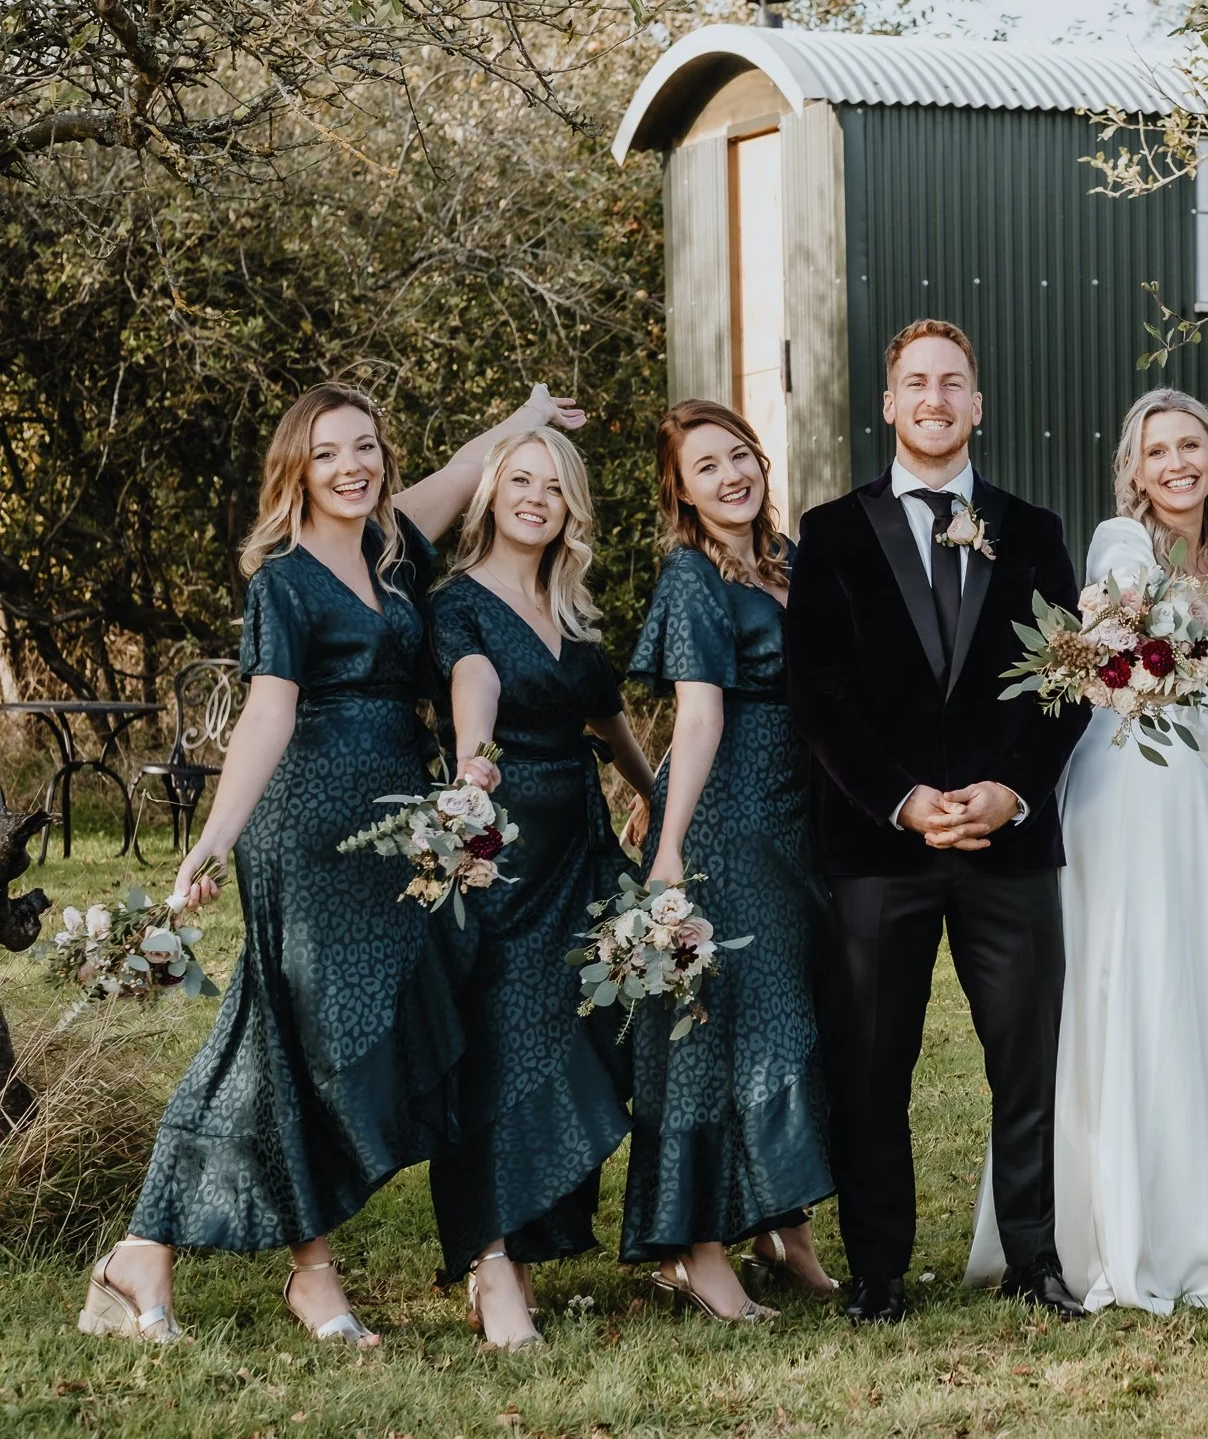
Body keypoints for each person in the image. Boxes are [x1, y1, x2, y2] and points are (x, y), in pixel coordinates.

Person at [79, 382, 583, 1347]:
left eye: (366, 447)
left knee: (360, 1029)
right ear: (295, 471)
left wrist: (526, 417)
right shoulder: (282, 581)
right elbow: (268, 712)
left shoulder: (395, 548)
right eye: (327, 453)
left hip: (404, 828)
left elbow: (467, 468)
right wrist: (217, 833)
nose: (352, 466)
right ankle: (299, 1271)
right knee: (298, 1039)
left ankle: (152, 1253)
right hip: (307, 830)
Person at [967, 390, 1208, 1313]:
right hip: (1125, 787)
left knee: (1204, 985)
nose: (1176, 463)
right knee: (1125, 979)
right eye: (1157, 450)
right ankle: (1112, 1224)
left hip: (1204, 801)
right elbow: (1120, 642)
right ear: (1135, 468)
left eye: (1190, 444)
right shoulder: (1118, 545)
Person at [785, 319, 1090, 1325]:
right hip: (878, 848)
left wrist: (1010, 794)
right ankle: (877, 1270)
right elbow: (819, 694)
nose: (933, 399)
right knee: (872, 1067)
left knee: (1028, 1062)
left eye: (952, 383)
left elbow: (1066, 681)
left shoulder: (1034, 529)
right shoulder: (829, 533)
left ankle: (1035, 1257)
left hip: (1010, 847)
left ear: (977, 404)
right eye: (915, 383)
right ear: (888, 405)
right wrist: (904, 801)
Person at [429, 426, 655, 1350]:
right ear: (490, 495)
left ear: (571, 509)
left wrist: (659, 795)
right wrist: (476, 762)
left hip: (584, 858)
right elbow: (472, 686)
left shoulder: (573, 612)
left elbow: (609, 720)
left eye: (552, 487)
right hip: (501, 851)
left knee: (579, 1042)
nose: (534, 498)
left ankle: (521, 1249)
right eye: (518, 480)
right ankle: (490, 1263)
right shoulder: (458, 608)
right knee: (495, 1053)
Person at [622, 399, 839, 1323]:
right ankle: (696, 1249)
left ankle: (779, 1225)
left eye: (740, 455)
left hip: (801, 819)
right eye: (706, 466)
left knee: (785, 1016)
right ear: (681, 491)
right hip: (726, 822)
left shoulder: (789, 562)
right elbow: (699, 714)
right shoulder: (690, 578)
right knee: (713, 1032)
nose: (731, 475)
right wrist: (668, 846)